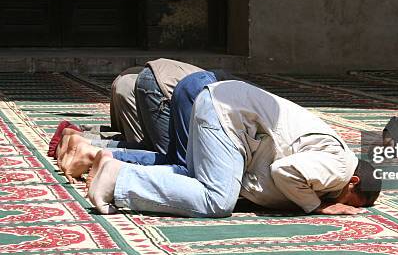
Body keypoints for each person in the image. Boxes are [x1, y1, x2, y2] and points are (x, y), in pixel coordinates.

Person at [84, 80, 381, 217]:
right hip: (229, 117)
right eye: (356, 202)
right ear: (353, 183)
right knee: (217, 201)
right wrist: (319, 206)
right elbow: (285, 171)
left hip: (218, 105)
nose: (350, 207)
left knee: (194, 180)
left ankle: (120, 170)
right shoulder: (341, 166)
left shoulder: (335, 152)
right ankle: (120, 179)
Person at [53, 60, 234, 182]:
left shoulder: (243, 91)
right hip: (158, 87)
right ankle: (92, 152)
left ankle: (83, 139)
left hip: (138, 79)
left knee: (146, 145)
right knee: (172, 163)